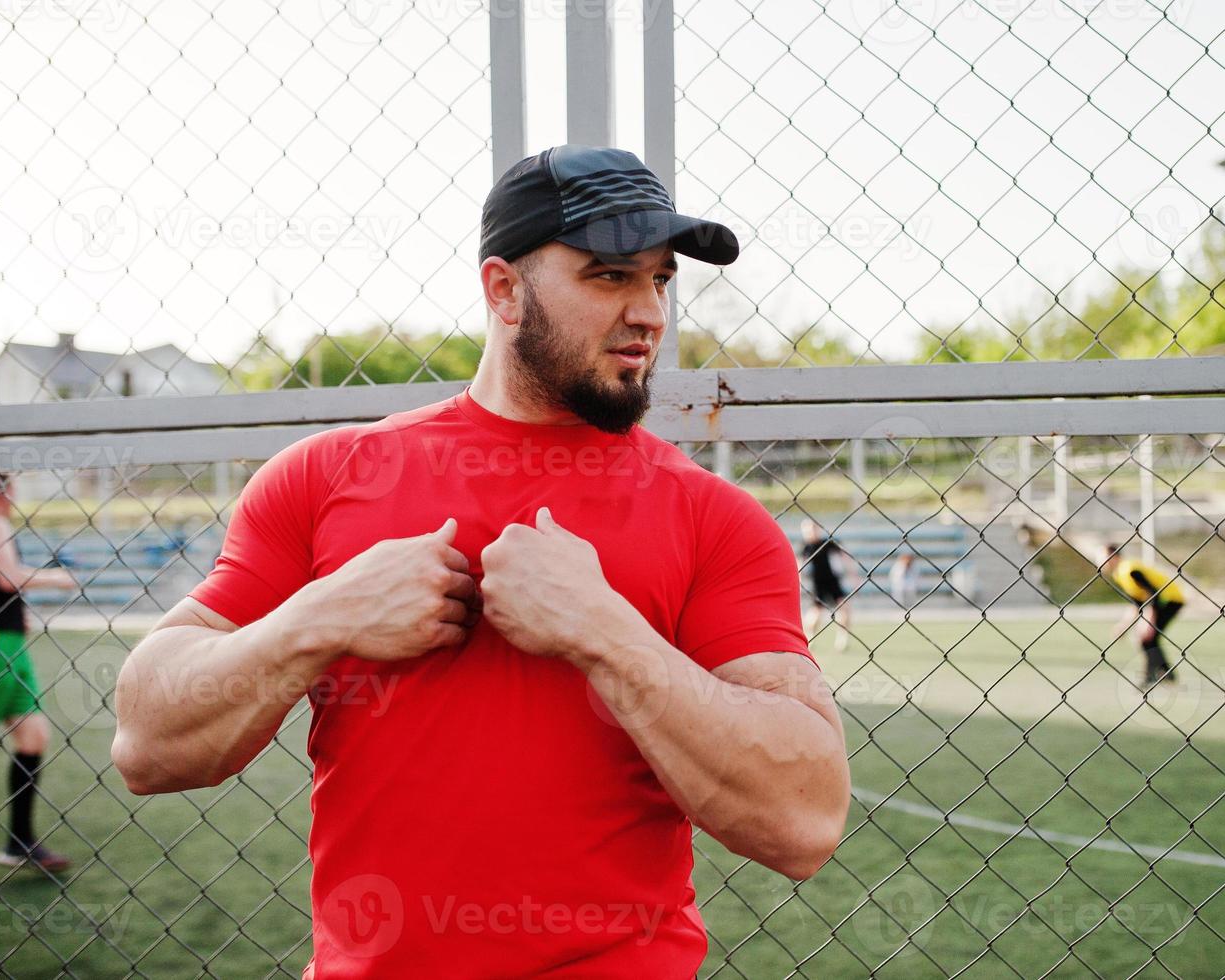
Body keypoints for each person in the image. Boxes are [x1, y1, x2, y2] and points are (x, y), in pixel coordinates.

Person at [112, 145, 851, 978]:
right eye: (609, 276)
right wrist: (321, 616)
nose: (649, 312)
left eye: (660, 281)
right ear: (503, 289)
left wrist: (608, 634)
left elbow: (804, 820)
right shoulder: (324, 476)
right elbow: (147, 742)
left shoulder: (714, 517)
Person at [0, 472, 77, 871]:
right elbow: (7, 578)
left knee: (32, 736)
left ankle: (19, 843)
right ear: (5, 491)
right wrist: (58, 578)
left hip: (10, 645)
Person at [1102, 542, 1185, 688]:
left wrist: (1149, 620)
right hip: (1163, 601)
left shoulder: (1130, 570)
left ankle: (1153, 674)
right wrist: (1123, 626)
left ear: (1114, 557)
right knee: (1147, 638)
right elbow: (1137, 603)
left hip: (1170, 599)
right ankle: (1167, 673)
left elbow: (1154, 593)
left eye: (1104, 557)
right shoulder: (1120, 574)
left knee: (1147, 637)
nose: (1101, 562)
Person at [798, 519, 855, 653]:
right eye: (807, 529)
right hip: (818, 583)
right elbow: (799, 564)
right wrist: (799, 581)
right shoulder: (806, 546)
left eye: (812, 528)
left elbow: (843, 555)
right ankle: (809, 637)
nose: (810, 532)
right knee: (816, 612)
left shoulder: (827, 543)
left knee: (844, 607)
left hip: (833, 581)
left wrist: (851, 573)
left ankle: (842, 637)